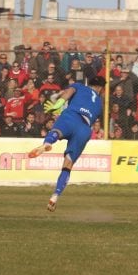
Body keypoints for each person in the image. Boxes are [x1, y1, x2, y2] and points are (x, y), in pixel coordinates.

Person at [27, 76, 106, 212]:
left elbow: (67, 94)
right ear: (100, 88)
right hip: (85, 128)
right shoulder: (99, 102)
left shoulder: (80, 86)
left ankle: (48, 142)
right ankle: (55, 195)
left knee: (57, 131)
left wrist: (58, 104)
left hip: (72, 116)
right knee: (68, 165)